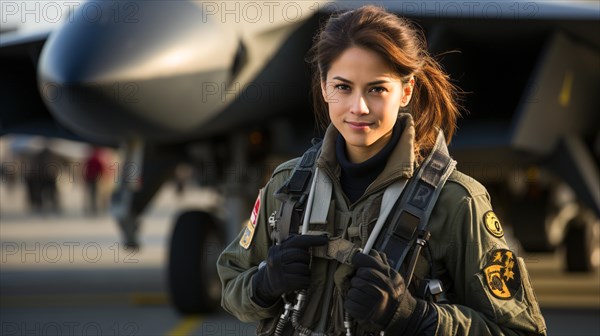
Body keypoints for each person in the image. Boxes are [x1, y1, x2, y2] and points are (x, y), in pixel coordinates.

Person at [218, 5, 546, 335]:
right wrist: (262, 284)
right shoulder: (287, 188)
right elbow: (232, 282)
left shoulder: (457, 202)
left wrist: (416, 317)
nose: (358, 108)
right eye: (343, 87)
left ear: (406, 91)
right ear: (323, 87)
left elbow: (521, 330)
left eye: (377, 89)